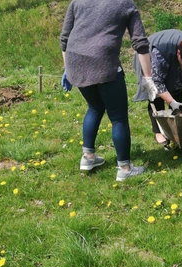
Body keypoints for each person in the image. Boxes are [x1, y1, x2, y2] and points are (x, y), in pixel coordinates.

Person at [60, 0, 157, 181]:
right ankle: (125, 169)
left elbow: (64, 38)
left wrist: (68, 68)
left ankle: (88, 158)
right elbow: (140, 43)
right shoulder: (125, 4)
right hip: (103, 63)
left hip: (75, 62)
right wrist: (148, 78)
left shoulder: (77, 2)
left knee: (95, 107)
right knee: (118, 117)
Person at [133, 29, 182, 146]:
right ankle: (158, 132)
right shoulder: (160, 53)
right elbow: (157, 82)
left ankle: (177, 125)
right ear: (178, 54)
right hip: (149, 53)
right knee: (155, 95)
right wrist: (171, 102)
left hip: (172, 57)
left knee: (177, 88)